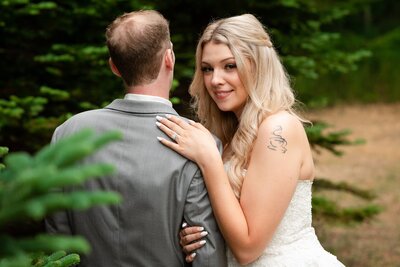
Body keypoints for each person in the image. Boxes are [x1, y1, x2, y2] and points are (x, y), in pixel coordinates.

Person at [156, 13, 346, 266]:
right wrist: (198, 234)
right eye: (207, 69)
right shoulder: (229, 135)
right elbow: (233, 219)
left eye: (230, 66)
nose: (215, 80)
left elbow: (247, 247)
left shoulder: (279, 129)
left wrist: (208, 160)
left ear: (258, 66)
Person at [45, 10, 226, 267]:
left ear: (114, 67)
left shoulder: (68, 132)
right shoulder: (197, 142)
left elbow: (58, 240)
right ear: (169, 58)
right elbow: (205, 256)